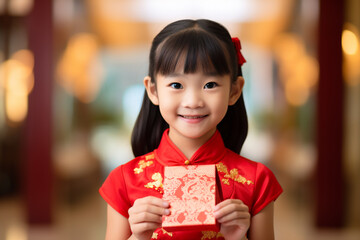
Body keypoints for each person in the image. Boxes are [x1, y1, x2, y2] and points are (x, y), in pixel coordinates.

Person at [99, 19, 282, 240]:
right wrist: (138, 237)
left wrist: (238, 237)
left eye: (210, 85)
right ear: (153, 90)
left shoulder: (257, 180)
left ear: (235, 90)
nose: (193, 101)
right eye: (176, 85)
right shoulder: (124, 180)